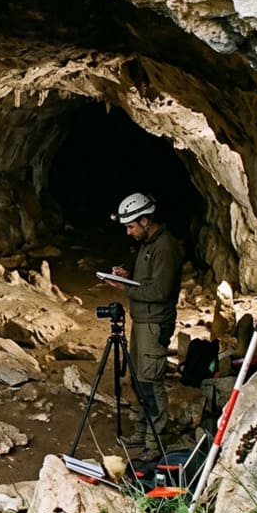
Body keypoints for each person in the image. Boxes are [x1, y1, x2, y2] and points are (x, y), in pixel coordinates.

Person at [106, 192, 184, 460]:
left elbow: (159, 291)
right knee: (140, 381)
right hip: (142, 321)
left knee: (151, 383)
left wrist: (126, 288)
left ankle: (155, 442)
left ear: (145, 220)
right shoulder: (149, 244)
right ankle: (142, 433)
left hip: (154, 323)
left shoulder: (164, 248)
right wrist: (128, 277)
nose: (128, 233)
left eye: (131, 227)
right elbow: (146, 281)